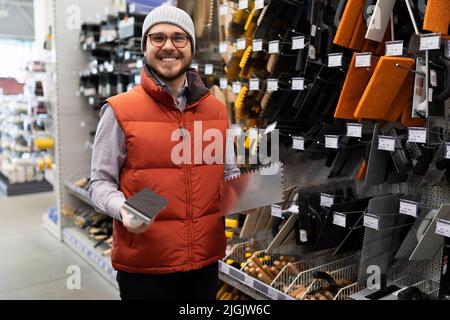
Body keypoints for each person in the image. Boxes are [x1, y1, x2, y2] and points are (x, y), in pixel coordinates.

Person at [89, 5, 240, 300]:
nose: (168, 46)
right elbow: (99, 184)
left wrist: (251, 192)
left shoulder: (216, 110)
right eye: (157, 38)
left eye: (178, 38)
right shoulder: (119, 110)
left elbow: (227, 174)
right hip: (146, 269)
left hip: (204, 264)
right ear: (145, 47)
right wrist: (122, 209)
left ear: (190, 48)